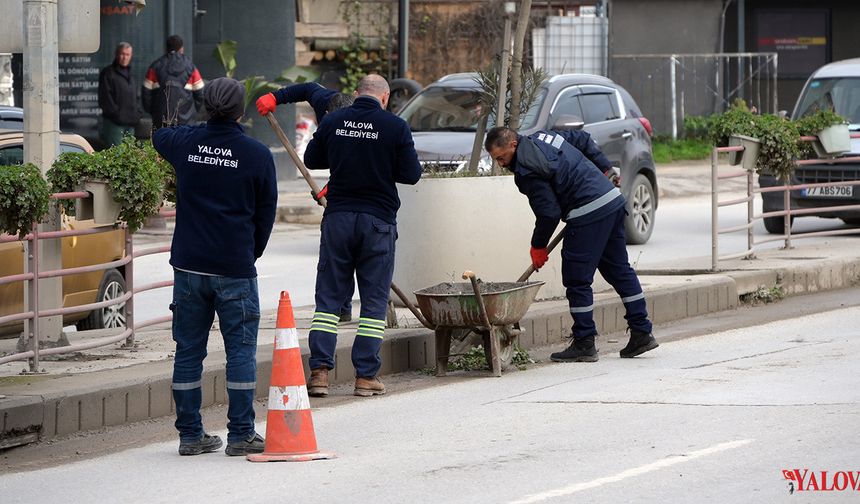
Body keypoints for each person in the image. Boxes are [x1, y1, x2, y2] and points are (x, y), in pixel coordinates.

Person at [152, 77, 277, 456]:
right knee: (240, 350)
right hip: (234, 266)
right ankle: (241, 434)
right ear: (241, 111)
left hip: (189, 266)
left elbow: (160, 135)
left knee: (189, 350)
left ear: (206, 107)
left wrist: (185, 112)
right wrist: (250, 252)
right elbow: (265, 214)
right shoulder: (256, 155)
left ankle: (190, 435)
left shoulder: (185, 144)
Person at [484, 126, 658, 362]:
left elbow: (549, 213)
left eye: (501, 157)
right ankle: (642, 332)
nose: (501, 164)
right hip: (612, 202)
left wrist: (537, 246)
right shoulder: (546, 136)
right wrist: (606, 169)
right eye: (496, 160)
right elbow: (584, 139)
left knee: (577, 279)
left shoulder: (527, 170)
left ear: (512, 145)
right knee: (619, 271)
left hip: (587, 212)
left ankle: (584, 342)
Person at [302, 74, 421, 397]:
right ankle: (366, 376)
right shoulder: (395, 126)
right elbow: (412, 174)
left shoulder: (334, 120)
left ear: (357, 95)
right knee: (373, 301)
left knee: (328, 300)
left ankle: (320, 373)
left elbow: (312, 159)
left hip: (338, 218)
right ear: (384, 99)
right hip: (377, 222)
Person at [256, 83, 356, 322]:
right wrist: (275, 97)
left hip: (359, 193)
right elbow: (307, 89)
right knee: (334, 253)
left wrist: (332, 188)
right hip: (339, 180)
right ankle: (335, 308)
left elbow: (356, 167)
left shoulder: (359, 128)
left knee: (349, 250)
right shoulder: (324, 100)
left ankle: (343, 307)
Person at [143, 35, 204, 130]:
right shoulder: (191, 67)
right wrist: (192, 112)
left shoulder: (155, 66)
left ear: (166, 48)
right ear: (181, 49)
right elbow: (200, 94)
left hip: (161, 121)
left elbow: (146, 93)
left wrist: (154, 112)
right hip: (186, 123)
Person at [97, 42, 142, 146]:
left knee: (129, 156)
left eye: (127, 55)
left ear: (131, 56)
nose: (124, 57)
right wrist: (117, 115)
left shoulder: (131, 74)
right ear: (116, 54)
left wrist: (137, 113)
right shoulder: (108, 73)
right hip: (114, 124)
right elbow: (105, 99)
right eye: (122, 54)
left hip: (130, 123)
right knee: (115, 155)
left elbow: (136, 96)